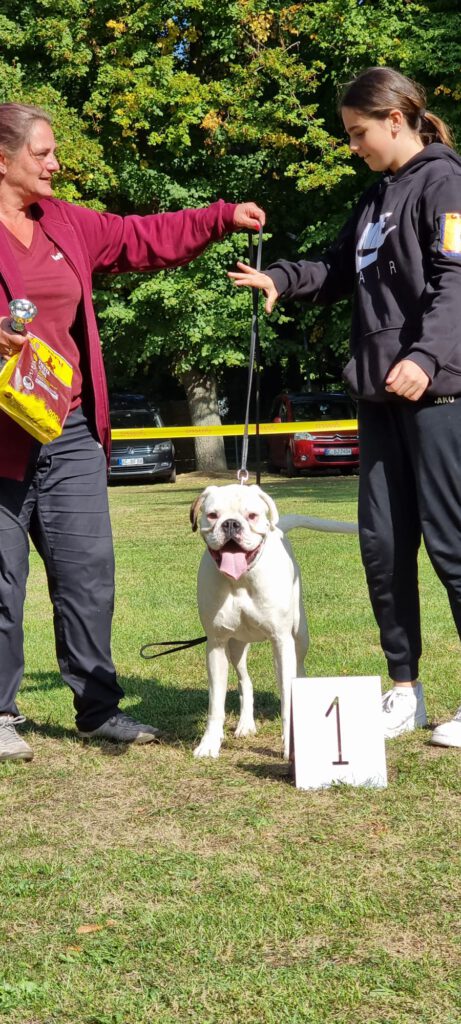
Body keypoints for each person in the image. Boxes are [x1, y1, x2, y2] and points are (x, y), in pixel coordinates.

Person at [0, 101, 265, 763]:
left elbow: (139, 237)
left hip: (70, 430)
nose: (55, 164)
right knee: (1, 582)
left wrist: (217, 218)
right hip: (1, 440)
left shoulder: (64, 222)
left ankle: (97, 709)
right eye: (42, 153)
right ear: (2, 158)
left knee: (89, 575)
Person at [229, 65, 461, 749]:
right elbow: (335, 269)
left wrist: (423, 359)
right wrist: (277, 277)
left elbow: (456, 282)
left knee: (451, 546)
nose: (353, 145)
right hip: (378, 398)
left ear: (396, 120)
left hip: (438, 395)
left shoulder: (445, 183)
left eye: (358, 133)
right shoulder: (374, 198)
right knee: (383, 547)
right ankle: (404, 692)